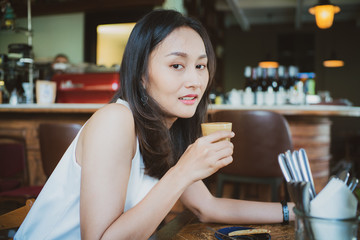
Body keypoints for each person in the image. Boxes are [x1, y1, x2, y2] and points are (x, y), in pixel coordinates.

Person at [14, 9, 294, 239]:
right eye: (176, 66)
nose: (195, 81)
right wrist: (183, 171)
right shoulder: (116, 120)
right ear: (140, 76)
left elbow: (208, 206)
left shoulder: (169, 130)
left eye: (200, 65)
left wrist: (293, 211)